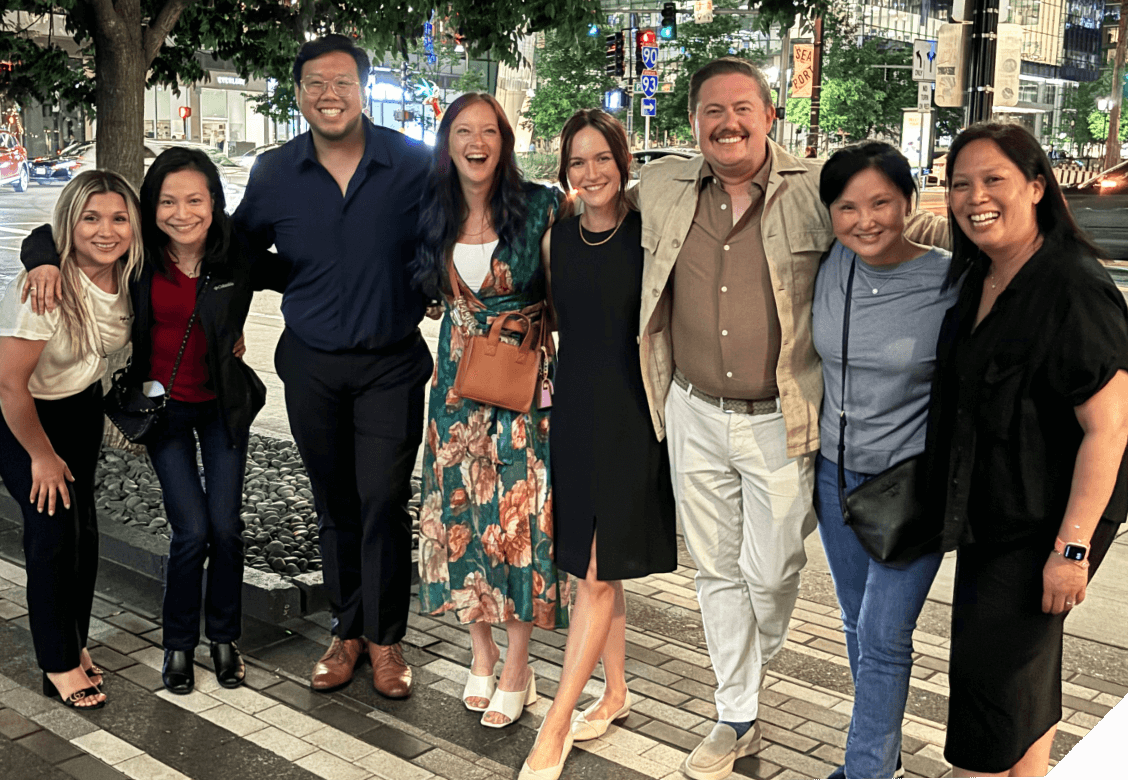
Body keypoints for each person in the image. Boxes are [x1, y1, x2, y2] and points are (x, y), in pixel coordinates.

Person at [633, 57, 947, 780]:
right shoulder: (663, 184)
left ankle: (753, 653)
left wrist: (1010, 239)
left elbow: (903, 220)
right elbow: (593, 204)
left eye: (743, 107)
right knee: (714, 571)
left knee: (772, 572)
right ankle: (735, 712)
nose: (728, 123)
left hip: (782, 418)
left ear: (770, 116)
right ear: (693, 122)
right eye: (713, 110)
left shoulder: (814, 191)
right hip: (690, 407)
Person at [21, 148, 290, 695]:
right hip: (162, 409)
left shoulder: (235, 254)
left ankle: (223, 638)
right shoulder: (138, 254)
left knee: (227, 528)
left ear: (215, 203)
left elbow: (307, 273)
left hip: (222, 407)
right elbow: (51, 236)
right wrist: (42, 260)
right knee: (190, 531)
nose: (182, 212)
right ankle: (177, 644)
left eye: (195, 200)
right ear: (152, 207)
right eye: (168, 201)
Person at [233, 34, 433, 698]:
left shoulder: (411, 164)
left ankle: (386, 643)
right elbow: (231, 252)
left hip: (390, 365)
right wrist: (270, 285)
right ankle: (345, 634)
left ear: (363, 89)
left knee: (382, 501)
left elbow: (465, 225)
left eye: (342, 82)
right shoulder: (274, 173)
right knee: (333, 502)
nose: (329, 94)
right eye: (315, 83)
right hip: (312, 366)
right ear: (298, 95)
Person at [929, 122, 1128, 777]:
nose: (974, 196)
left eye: (994, 180)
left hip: (1044, 528)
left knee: (987, 698)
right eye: (961, 183)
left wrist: (1071, 551)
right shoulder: (981, 276)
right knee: (1021, 679)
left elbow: (1111, 428)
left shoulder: (1072, 286)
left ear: (1037, 187)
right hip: (993, 519)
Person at [520, 109, 678, 779]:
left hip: (634, 418)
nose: (590, 173)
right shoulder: (554, 240)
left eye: (601, 159)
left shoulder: (652, 234)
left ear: (623, 161)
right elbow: (549, 317)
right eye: (577, 162)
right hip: (575, 417)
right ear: (565, 172)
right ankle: (614, 691)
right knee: (594, 567)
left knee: (595, 571)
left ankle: (555, 726)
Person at [411, 92, 568, 728]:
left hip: (524, 393)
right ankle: (480, 652)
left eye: (489, 131)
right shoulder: (434, 212)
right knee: (460, 522)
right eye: (463, 131)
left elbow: (573, 292)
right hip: (454, 393)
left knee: (520, 524)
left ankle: (518, 664)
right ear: (447, 143)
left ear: (503, 142)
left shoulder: (541, 207)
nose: (476, 142)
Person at [811, 142, 955, 779]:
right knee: (854, 622)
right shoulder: (829, 263)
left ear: (909, 200)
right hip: (835, 476)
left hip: (913, 486)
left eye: (880, 203)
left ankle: (865, 770)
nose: (865, 220)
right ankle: (884, 758)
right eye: (847, 207)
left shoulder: (952, 279)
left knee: (884, 635)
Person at [0, 170, 144, 709]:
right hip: (20, 413)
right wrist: (40, 455)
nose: (105, 231)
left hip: (78, 405)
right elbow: (9, 383)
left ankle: (75, 642)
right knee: (52, 533)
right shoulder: (45, 285)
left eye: (118, 217)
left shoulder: (130, 273)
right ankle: (56, 663)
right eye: (90, 217)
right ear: (69, 223)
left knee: (83, 530)